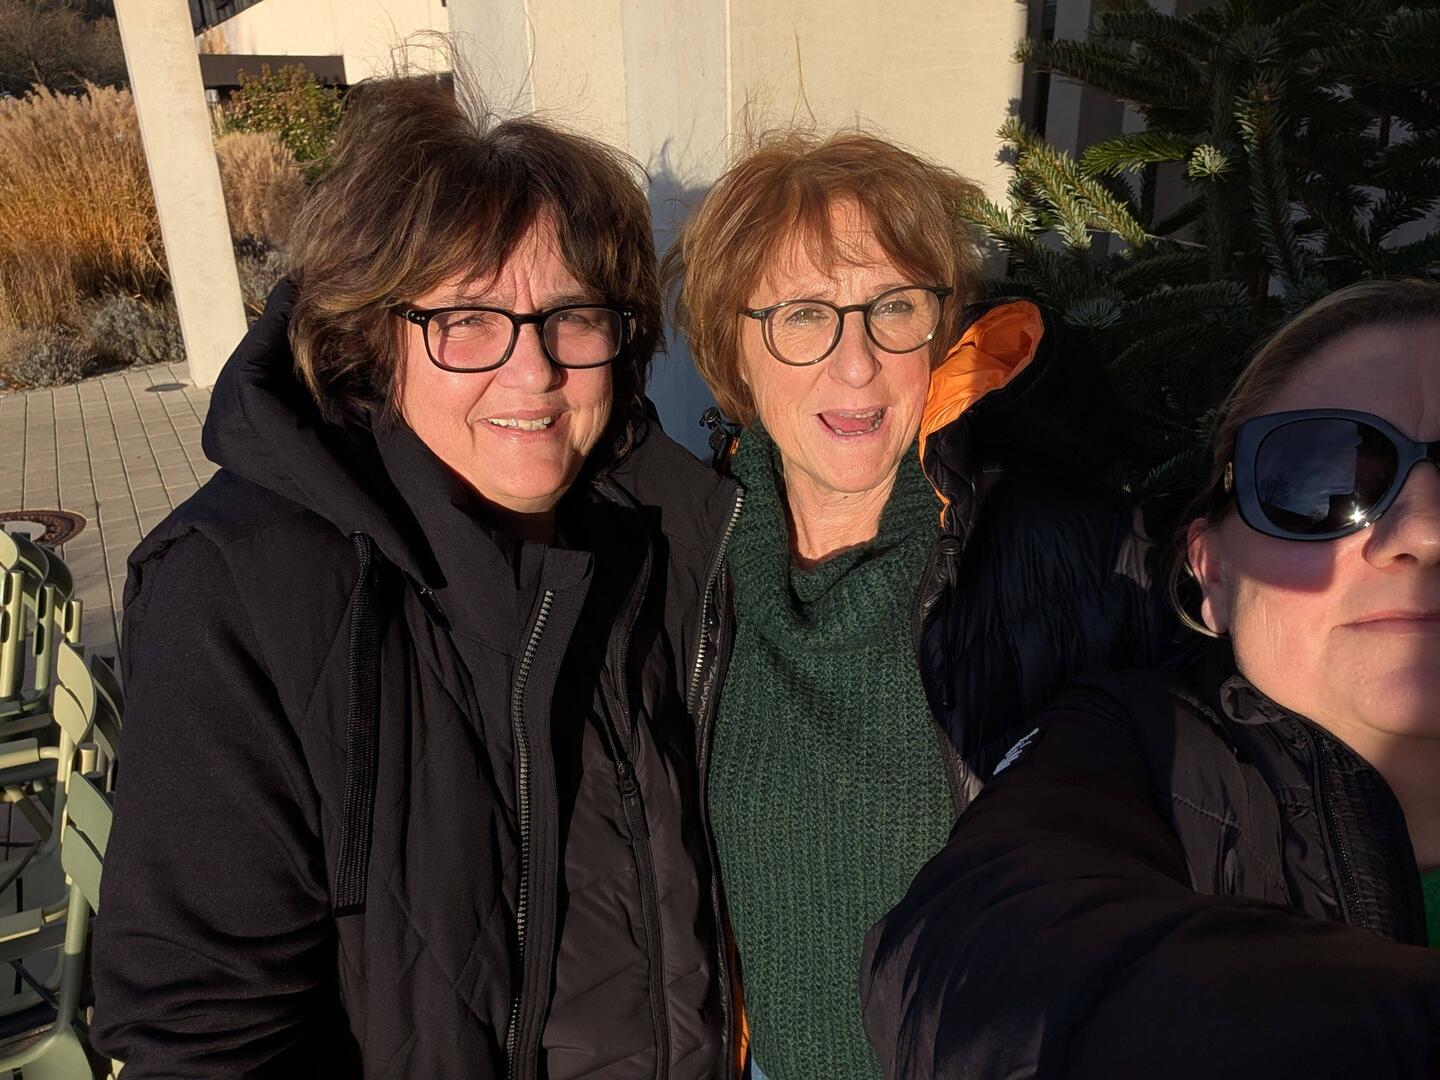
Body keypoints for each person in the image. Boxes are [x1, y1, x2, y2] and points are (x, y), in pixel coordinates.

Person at [90, 74, 743, 1079]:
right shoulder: (245, 591)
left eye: (573, 315)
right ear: (373, 339)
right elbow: (205, 1038)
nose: (533, 371)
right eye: (468, 318)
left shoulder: (658, 543)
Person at [662, 130, 1172, 1080]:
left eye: (894, 306)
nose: (856, 364)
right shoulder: (687, 556)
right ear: (733, 345)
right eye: (805, 315)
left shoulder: (1062, 550)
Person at [862, 278, 1440, 1079]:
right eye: (1323, 478)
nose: (1424, 531)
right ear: (1211, 570)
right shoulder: (1131, 744)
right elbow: (971, 953)